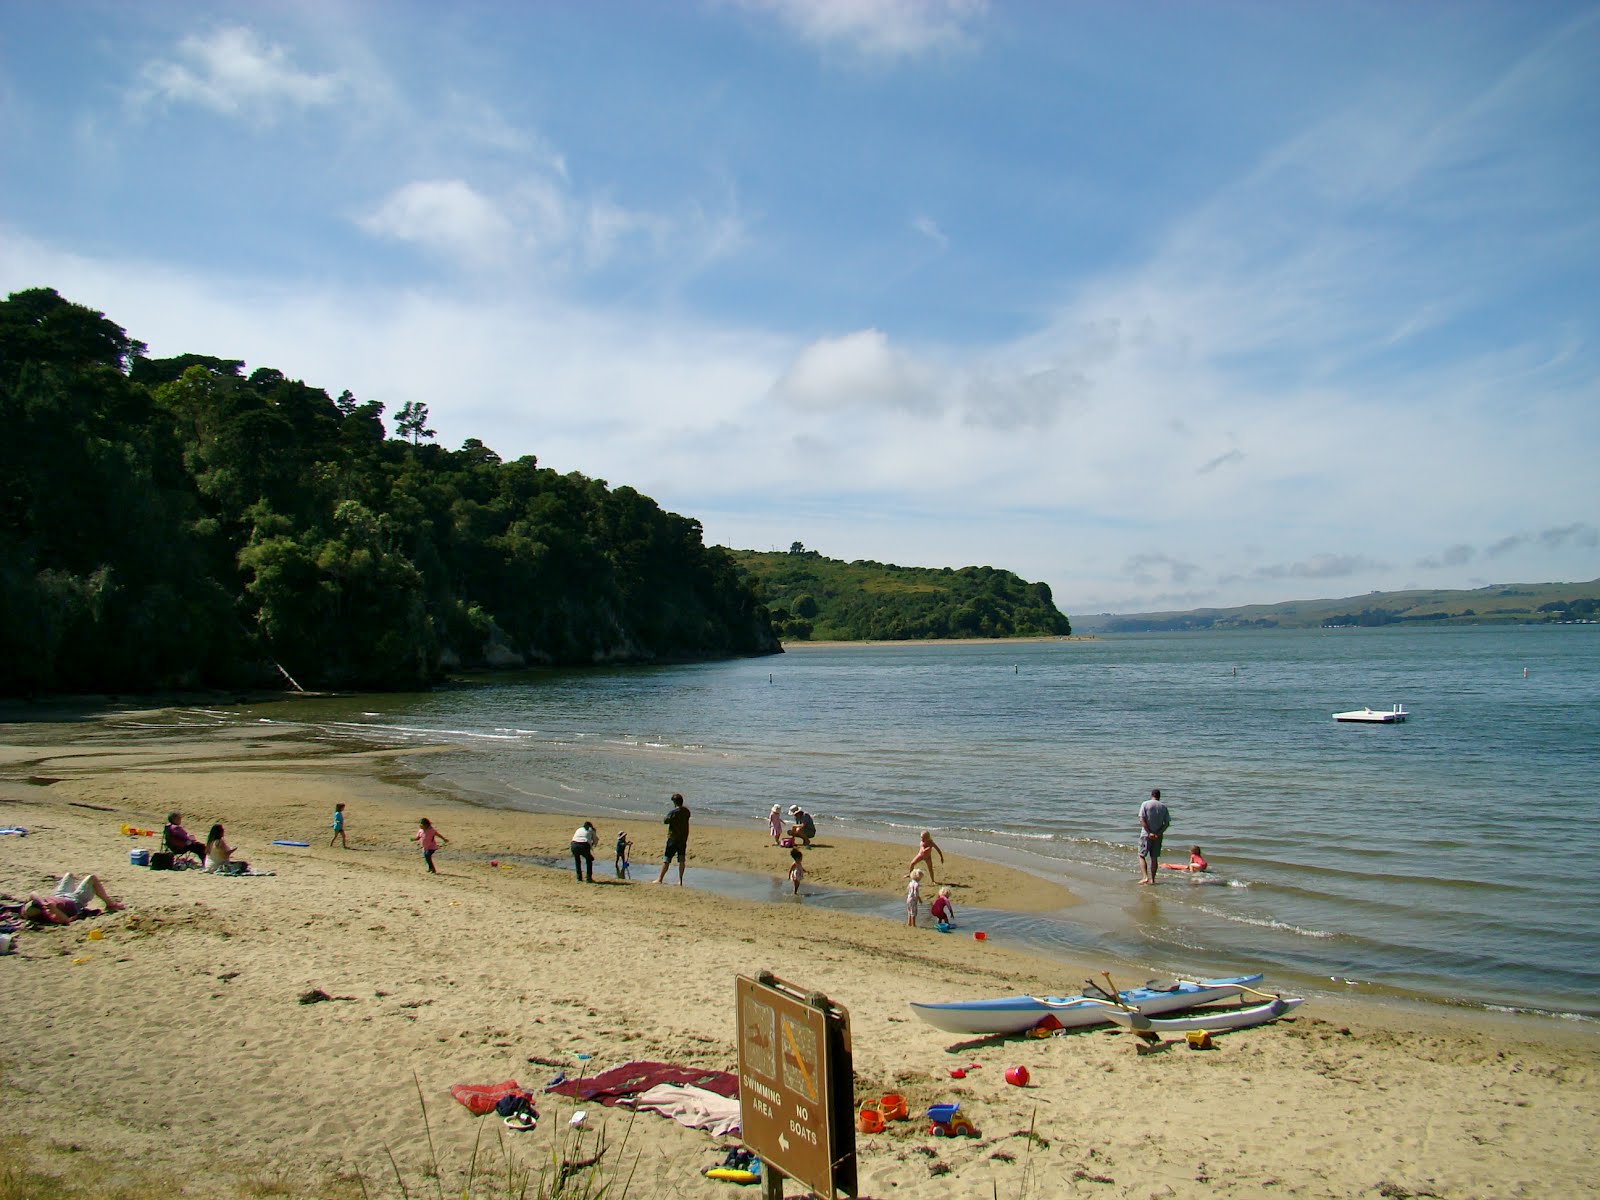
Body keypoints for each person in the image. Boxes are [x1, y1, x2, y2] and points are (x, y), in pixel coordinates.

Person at [22, 873, 123, 924]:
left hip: (59, 895)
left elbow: (33, 893)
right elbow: (66, 921)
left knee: (69, 875)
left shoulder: (37, 906)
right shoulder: (50, 915)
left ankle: (109, 903)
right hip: (75, 900)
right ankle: (110, 904)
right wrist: (55, 910)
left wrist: (40, 901)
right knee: (91, 878)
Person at [656, 793, 691, 885]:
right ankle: (680, 880)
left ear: (675, 802)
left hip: (673, 838)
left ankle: (660, 879)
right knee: (681, 860)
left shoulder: (673, 812)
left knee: (667, 859)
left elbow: (665, 821)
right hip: (683, 838)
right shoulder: (686, 811)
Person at [1138, 788, 1171, 884]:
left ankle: (1145, 877)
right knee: (1154, 858)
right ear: (1159, 796)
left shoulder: (1145, 804)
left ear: (1151, 795)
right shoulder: (1163, 807)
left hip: (1146, 834)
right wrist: (1158, 833)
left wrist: (1149, 832)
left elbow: (1142, 820)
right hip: (1158, 836)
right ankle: (1152, 879)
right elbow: (1167, 823)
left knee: (1141, 855)